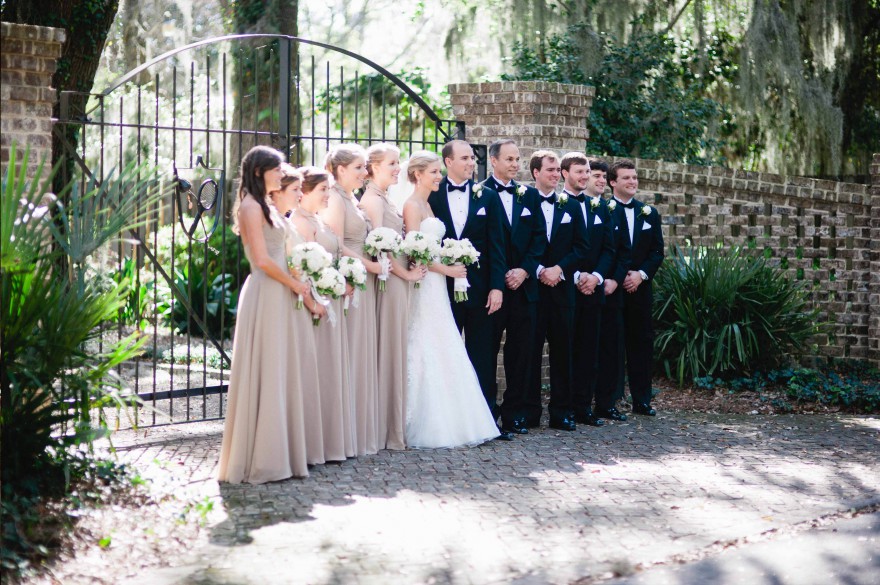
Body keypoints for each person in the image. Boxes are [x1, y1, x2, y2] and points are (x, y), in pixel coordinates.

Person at [218, 146, 315, 484]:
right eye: (277, 169)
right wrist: (294, 284)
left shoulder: (266, 206)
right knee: (268, 369)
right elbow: (260, 259)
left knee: (281, 369)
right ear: (260, 172)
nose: (282, 174)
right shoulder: (249, 207)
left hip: (281, 290)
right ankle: (263, 459)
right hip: (267, 292)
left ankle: (281, 454)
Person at [401, 151, 500, 448]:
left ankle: (460, 418)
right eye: (433, 172)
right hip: (431, 284)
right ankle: (420, 418)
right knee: (426, 347)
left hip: (442, 285)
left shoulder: (428, 205)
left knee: (447, 348)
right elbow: (413, 253)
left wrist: (453, 258)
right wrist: (446, 267)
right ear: (418, 174)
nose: (438, 177)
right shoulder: (412, 205)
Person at [428, 140, 512, 441]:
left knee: (484, 354)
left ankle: (487, 420)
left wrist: (496, 287)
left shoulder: (487, 197)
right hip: (440, 289)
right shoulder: (432, 196)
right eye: (464, 158)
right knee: (443, 354)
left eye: (473, 159)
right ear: (448, 162)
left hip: (481, 291)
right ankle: (447, 421)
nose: (471, 163)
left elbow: (497, 245)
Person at [360, 143, 426, 450]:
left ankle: (392, 426)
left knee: (395, 350)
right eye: (392, 163)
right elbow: (379, 248)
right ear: (373, 167)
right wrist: (407, 274)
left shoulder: (385, 197)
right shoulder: (371, 200)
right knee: (388, 351)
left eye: (398, 162)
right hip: (389, 283)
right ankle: (385, 429)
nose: (398, 168)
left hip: (398, 281)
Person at [290, 166, 356, 461]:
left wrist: (344, 277)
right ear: (303, 192)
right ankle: (314, 445)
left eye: (330, 189)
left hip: (331, 301)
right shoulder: (300, 223)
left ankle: (330, 442)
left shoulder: (316, 219)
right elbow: (303, 270)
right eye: (323, 190)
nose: (328, 195)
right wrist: (330, 289)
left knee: (331, 372)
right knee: (319, 373)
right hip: (316, 305)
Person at [481, 139, 546, 435]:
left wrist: (524, 270)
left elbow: (539, 239)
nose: (514, 164)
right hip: (491, 289)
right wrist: (499, 276)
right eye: (509, 158)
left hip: (523, 288)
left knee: (521, 353)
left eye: (517, 159)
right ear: (493, 161)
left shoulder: (529, 196)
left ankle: (515, 413)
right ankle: (485, 413)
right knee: (486, 352)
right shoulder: (478, 193)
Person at [321, 144, 381, 456]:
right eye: (358, 168)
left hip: (364, 279)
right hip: (352, 280)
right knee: (351, 352)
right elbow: (336, 243)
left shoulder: (351, 198)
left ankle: (357, 429)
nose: (364, 173)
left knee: (361, 352)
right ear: (340, 169)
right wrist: (369, 265)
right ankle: (344, 431)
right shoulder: (333, 198)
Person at [525, 150, 589, 431]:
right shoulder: (523, 201)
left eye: (556, 170)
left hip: (563, 291)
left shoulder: (570, 206)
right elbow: (519, 242)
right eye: (549, 169)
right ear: (536, 173)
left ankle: (562, 412)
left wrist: (559, 269)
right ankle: (528, 412)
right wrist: (539, 270)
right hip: (532, 291)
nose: (554, 174)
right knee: (529, 351)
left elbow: (581, 247)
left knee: (564, 353)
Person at [561, 153, 616, 427]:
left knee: (588, 350)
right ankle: (564, 407)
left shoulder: (600, 207)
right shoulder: (556, 204)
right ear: (565, 174)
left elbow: (609, 248)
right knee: (565, 350)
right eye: (579, 172)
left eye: (587, 172)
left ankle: (584, 407)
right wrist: (576, 276)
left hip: (593, 289)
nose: (584, 176)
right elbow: (554, 248)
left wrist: (595, 276)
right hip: (565, 289)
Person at [606, 159, 664, 416]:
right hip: (613, 290)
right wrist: (618, 277)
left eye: (634, 177)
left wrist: (640, 275)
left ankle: (642, 400)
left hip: (640, 290)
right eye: (626, 178)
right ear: (612, 182)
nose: (632, 182)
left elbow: (657, 252)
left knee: (641, 344)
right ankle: (612, 400)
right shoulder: (603, 210)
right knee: (613, 345)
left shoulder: (649, 213)